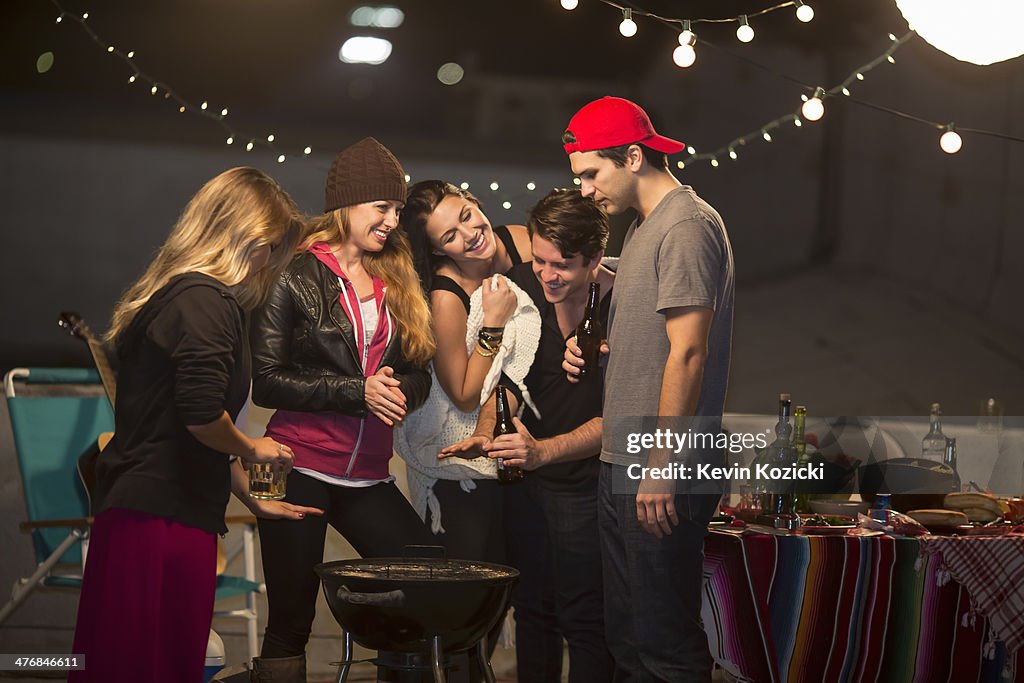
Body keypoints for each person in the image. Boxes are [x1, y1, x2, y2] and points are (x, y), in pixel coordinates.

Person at [69, 167, 311, 683]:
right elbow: (202, 415)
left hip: (151, 508)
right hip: (161, 517)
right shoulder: (206, 300)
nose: (268, 263)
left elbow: (180, 426)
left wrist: (248, 494)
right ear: (245, 236)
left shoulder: (179, 294)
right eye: (269, 247)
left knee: (118, 663)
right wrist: (255, 448)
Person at [247, 138, 435, 681]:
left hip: (368, 473)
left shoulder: (396, 275)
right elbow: (267, 382)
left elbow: (417, 371)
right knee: (290, 617)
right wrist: (359, 391)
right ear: (346, 205)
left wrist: (404, 394)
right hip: (291, 464)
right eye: (382, 207)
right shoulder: (293, 272)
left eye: (397, 210)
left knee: (424, 574)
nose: (392, 220)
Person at [561, 97, 735, 682]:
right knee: (629, 641)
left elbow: (689, 351)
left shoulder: (685, 226)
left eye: (591, 174)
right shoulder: (642, 229)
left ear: (633, 156)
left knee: (665, 645)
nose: (584, 190)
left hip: (663, 462)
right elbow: (651, 334)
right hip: (625, 458)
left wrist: (661, 464)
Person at [442, 188, 615, 683]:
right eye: (539, 259)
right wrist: (485, 430)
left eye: (561, 265)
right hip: (524, 479)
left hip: (584, 481)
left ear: (595, 259)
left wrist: (542, 451)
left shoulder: (621, 307)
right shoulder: (522, 285)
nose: (546, 274)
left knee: (585, 618)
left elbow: (619, 423)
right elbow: (509, 377)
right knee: (533, 613)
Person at [397, 180, 533, 562]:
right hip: (461, 457)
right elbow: (463, 392)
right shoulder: (446, 296)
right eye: (451, 236)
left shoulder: (521, 241)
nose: (472, 235)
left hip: (523, 435)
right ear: (438, 249)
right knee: (472, 577)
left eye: (467, 216)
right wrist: (493, 323)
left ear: (474, 203)